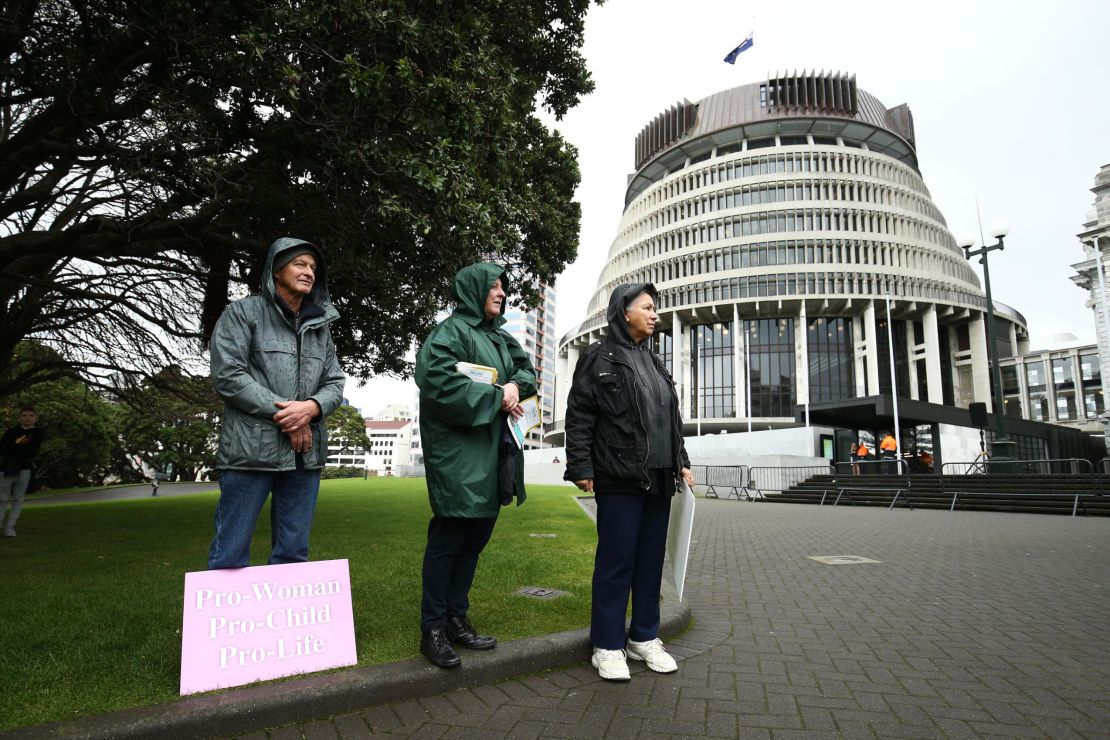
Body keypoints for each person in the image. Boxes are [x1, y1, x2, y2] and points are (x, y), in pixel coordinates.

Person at [563, 283, 694, 682]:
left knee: (651, 561)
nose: (655, 315)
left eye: (655, 309)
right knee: (616, 562)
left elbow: (669, 419)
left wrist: (681, 462)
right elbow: (580, 414)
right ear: (625, 312)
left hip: (658, 477)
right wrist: (581, 466)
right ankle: (606, 645)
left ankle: (643, 637)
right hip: (618, 476)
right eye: (648, 308)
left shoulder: (654, 362)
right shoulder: (596, 357)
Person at [415, 263, 536, 669]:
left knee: (475, 540)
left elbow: (526, 371)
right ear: (473, 290)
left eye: (503, 287)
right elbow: (438, 384)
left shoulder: (501, 337)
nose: (501, 293)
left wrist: (516, 386)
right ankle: (432, 628)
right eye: (494, 286)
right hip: (459, 455)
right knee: (450, 537)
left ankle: (455, 617)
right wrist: (496, 395)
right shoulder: (449, 333)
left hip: (494, 451)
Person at [206, 237, 345, 569]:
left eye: (313, 267)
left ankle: (289, 622)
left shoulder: (320, 328)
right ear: (276, 270)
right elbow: (229, 375)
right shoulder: (242, 313)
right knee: (230, 551)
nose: (309, 272)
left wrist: (310, 408)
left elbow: (335, 382)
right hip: (249, 453)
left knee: (293, 555)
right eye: (300, 264)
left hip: (304, 457)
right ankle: (227, 621)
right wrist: (290, 415)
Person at [0, 407, 43, 537]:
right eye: (24, 415)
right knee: (2, 498)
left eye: (31, 415)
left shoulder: (37, 433)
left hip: (25, 468)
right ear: (20, 418)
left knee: (18, 498)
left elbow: (32, 450)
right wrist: (19, 448)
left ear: (35, 418)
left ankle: (10, 527)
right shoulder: (11, 432)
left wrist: (15, 448)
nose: (27, 418)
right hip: (7, 468)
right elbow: (2, 448)